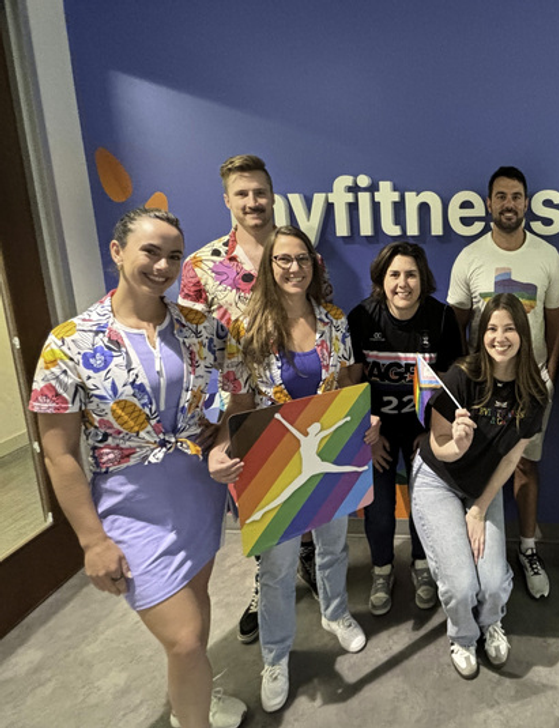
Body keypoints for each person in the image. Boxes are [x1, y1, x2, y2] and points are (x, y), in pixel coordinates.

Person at [29, 208, 246, 728]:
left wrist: (221, 440)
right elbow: (59, 454)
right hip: (130, 506)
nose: (164, 265)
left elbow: (235, 400)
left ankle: (193, 697)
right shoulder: (70, 343)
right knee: (186, 636)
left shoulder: (203, 329)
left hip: (199, 492)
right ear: (117, 252)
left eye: (174, 255)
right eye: (151, 251)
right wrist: (91, 541)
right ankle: (190, 715)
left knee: (195, 608)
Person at [208, 226, 370, 714]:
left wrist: (365, 424)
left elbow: (346, 385)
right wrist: (220, 449)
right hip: (271, 463)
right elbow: (236, 404)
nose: (294, 267)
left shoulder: (334, 322)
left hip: (325, 452)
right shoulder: (247, 329)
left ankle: (335, 612)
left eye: (302, 258)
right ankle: (275, 657)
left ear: (314, 265)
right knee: (277, 568)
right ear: (268, 268)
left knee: (334, 544)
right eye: (283, 260)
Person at [179, 154, 332, 642]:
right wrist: (213, 424)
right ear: (227, 200)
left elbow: (322, 317)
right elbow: (189, 347)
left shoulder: (300, 256)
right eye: (241, 194)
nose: (252, 202)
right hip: (239, 411)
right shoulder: (201, 267)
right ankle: (263, 585)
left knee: (308, 488)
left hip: (302, 399)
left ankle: (305, 559)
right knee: (260, 505)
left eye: (260, 192)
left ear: (272, 195)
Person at [412, 293, 548, 679]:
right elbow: (437, 444)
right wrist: (456, 445)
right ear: (480, 334)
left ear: (522, 333)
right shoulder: (462, 376)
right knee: (460, 585)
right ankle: (463, 636)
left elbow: (510, 460)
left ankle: (491, 624)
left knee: (491, 583)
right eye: (491, 328)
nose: (499, 337)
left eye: (508, 328)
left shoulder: (535, 393)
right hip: (438, 479)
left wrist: (479, 507)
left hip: (481, 486)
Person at [448, 166, 559, 600]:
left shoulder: (547, 257)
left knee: (526, 465)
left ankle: (529, 548)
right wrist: (468, 377)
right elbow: (456, 326)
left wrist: (548, 374)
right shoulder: (470, 258)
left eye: (516, 196)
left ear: (527, 203)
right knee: (480, 464)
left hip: (530, 387)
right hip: (482, 387)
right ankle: (475, 544)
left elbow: (556, 324)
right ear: (488, 204)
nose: (509, 204)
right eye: (501, 197)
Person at [347, 242, 463, 616]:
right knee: (379, 510)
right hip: (376, 433)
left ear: (422, 278)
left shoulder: (442, 318)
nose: (403, 283)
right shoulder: (362, 318)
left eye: (411, 274)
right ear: (381, 279)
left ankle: (422, 567)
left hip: (421, 432)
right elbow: (351, 384)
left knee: (422, 506)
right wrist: (369, 432)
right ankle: (382, 570)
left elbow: (452, 383)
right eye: (394, 274)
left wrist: (431, 431)